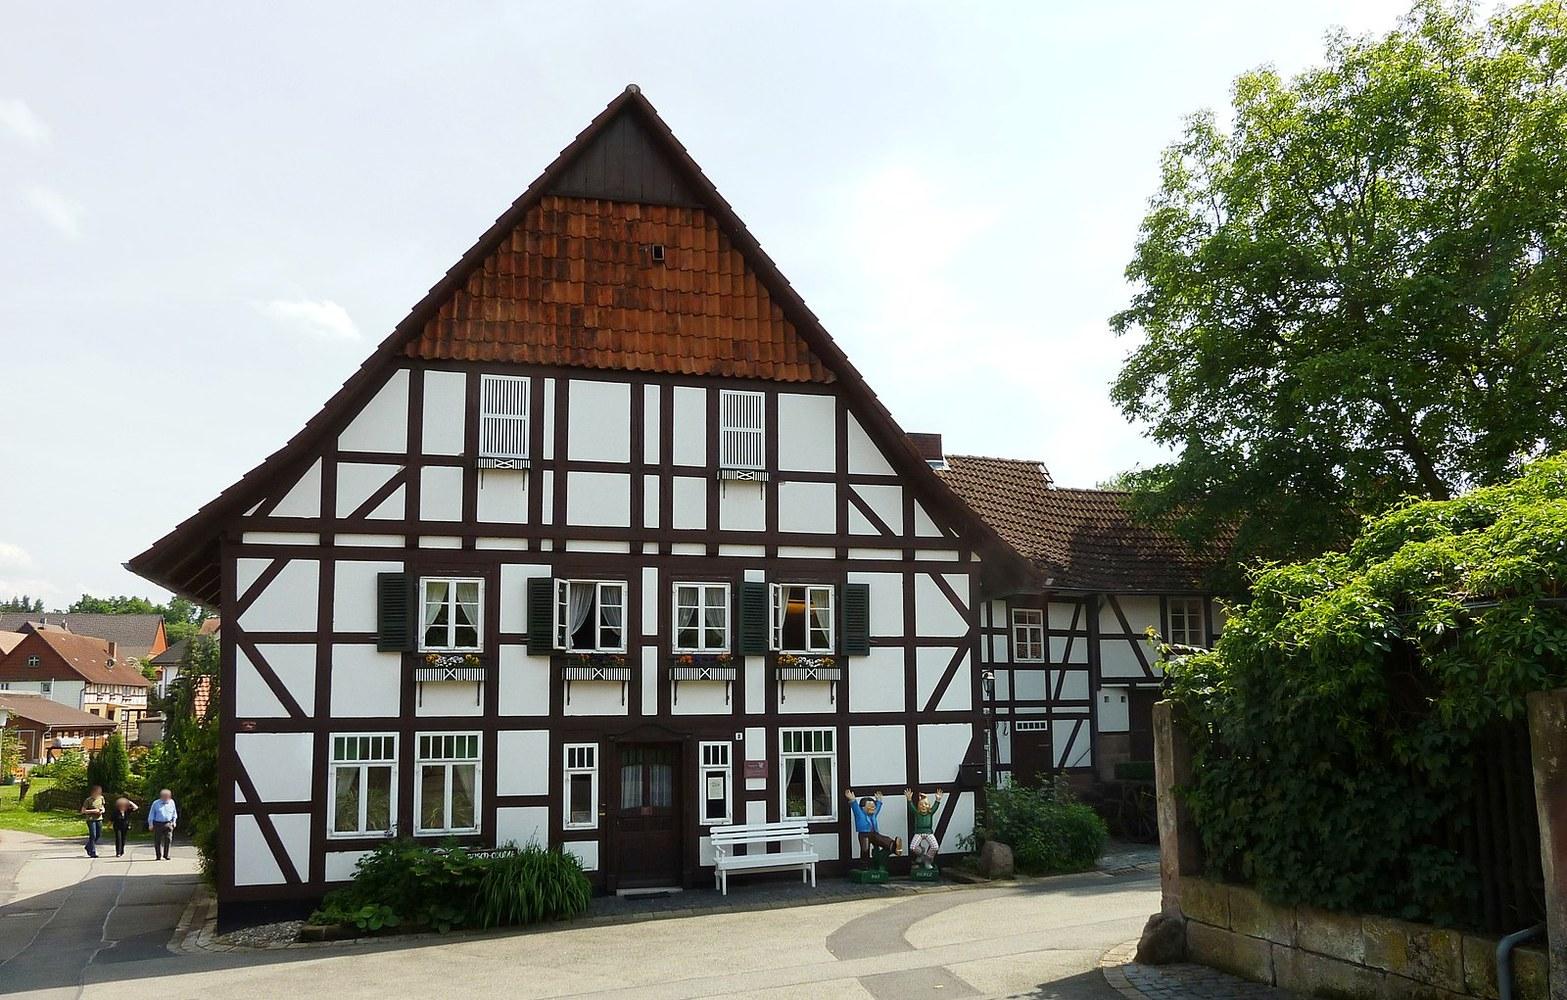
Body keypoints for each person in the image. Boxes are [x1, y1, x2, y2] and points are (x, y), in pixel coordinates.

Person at [843, 789, 901, 862]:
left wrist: (879, 800)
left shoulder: (873, 814)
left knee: (882, 839)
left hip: (874, 833)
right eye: (870, 806)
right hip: (864, 834)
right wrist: (852, 800)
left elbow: (878, 808)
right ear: (863, 808)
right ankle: (865, 863)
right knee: (865, 848)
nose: (873, 808)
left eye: (873, 806)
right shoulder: (860, 814)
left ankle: (894, 846)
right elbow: (855, 807)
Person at [905, 787, 945, 870]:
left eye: (926, 804)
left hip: (928, 832)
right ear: (918, 806)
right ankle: (921, 853)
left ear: (929, 806)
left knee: (935, 847)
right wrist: (909, 799)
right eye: (921, 804)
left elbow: (935, 807)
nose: (923, 806)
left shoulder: (930, 813)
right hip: (918, 832)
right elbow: (911, 807)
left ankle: (928, 860)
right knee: (913, 847)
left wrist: (937, 800)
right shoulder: (917, 813)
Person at [148, 789, 178, 860]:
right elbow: (151, 814)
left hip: (168, 823)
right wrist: (150, 824)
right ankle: (158, 856)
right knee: (157, 840)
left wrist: (174, 821)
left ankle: (166, 855)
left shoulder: (172, 802)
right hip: (158, 824)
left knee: (168, 839)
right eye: (165, 796)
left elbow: (174, 813)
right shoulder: (156, 803)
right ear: (161, 796)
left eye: (168, 796)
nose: (167, 798)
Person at [80, 785, 106, 858]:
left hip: (99, 818)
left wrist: (102, 810)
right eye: (97, 792)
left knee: (98, 835)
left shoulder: (101, 798)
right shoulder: (88, 800)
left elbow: (103, 806)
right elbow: (83, 811)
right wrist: (94, 811)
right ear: (93, 792)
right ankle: (92, 852)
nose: (98, 794)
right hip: (90, 819)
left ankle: (88, 846)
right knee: (93, 835)